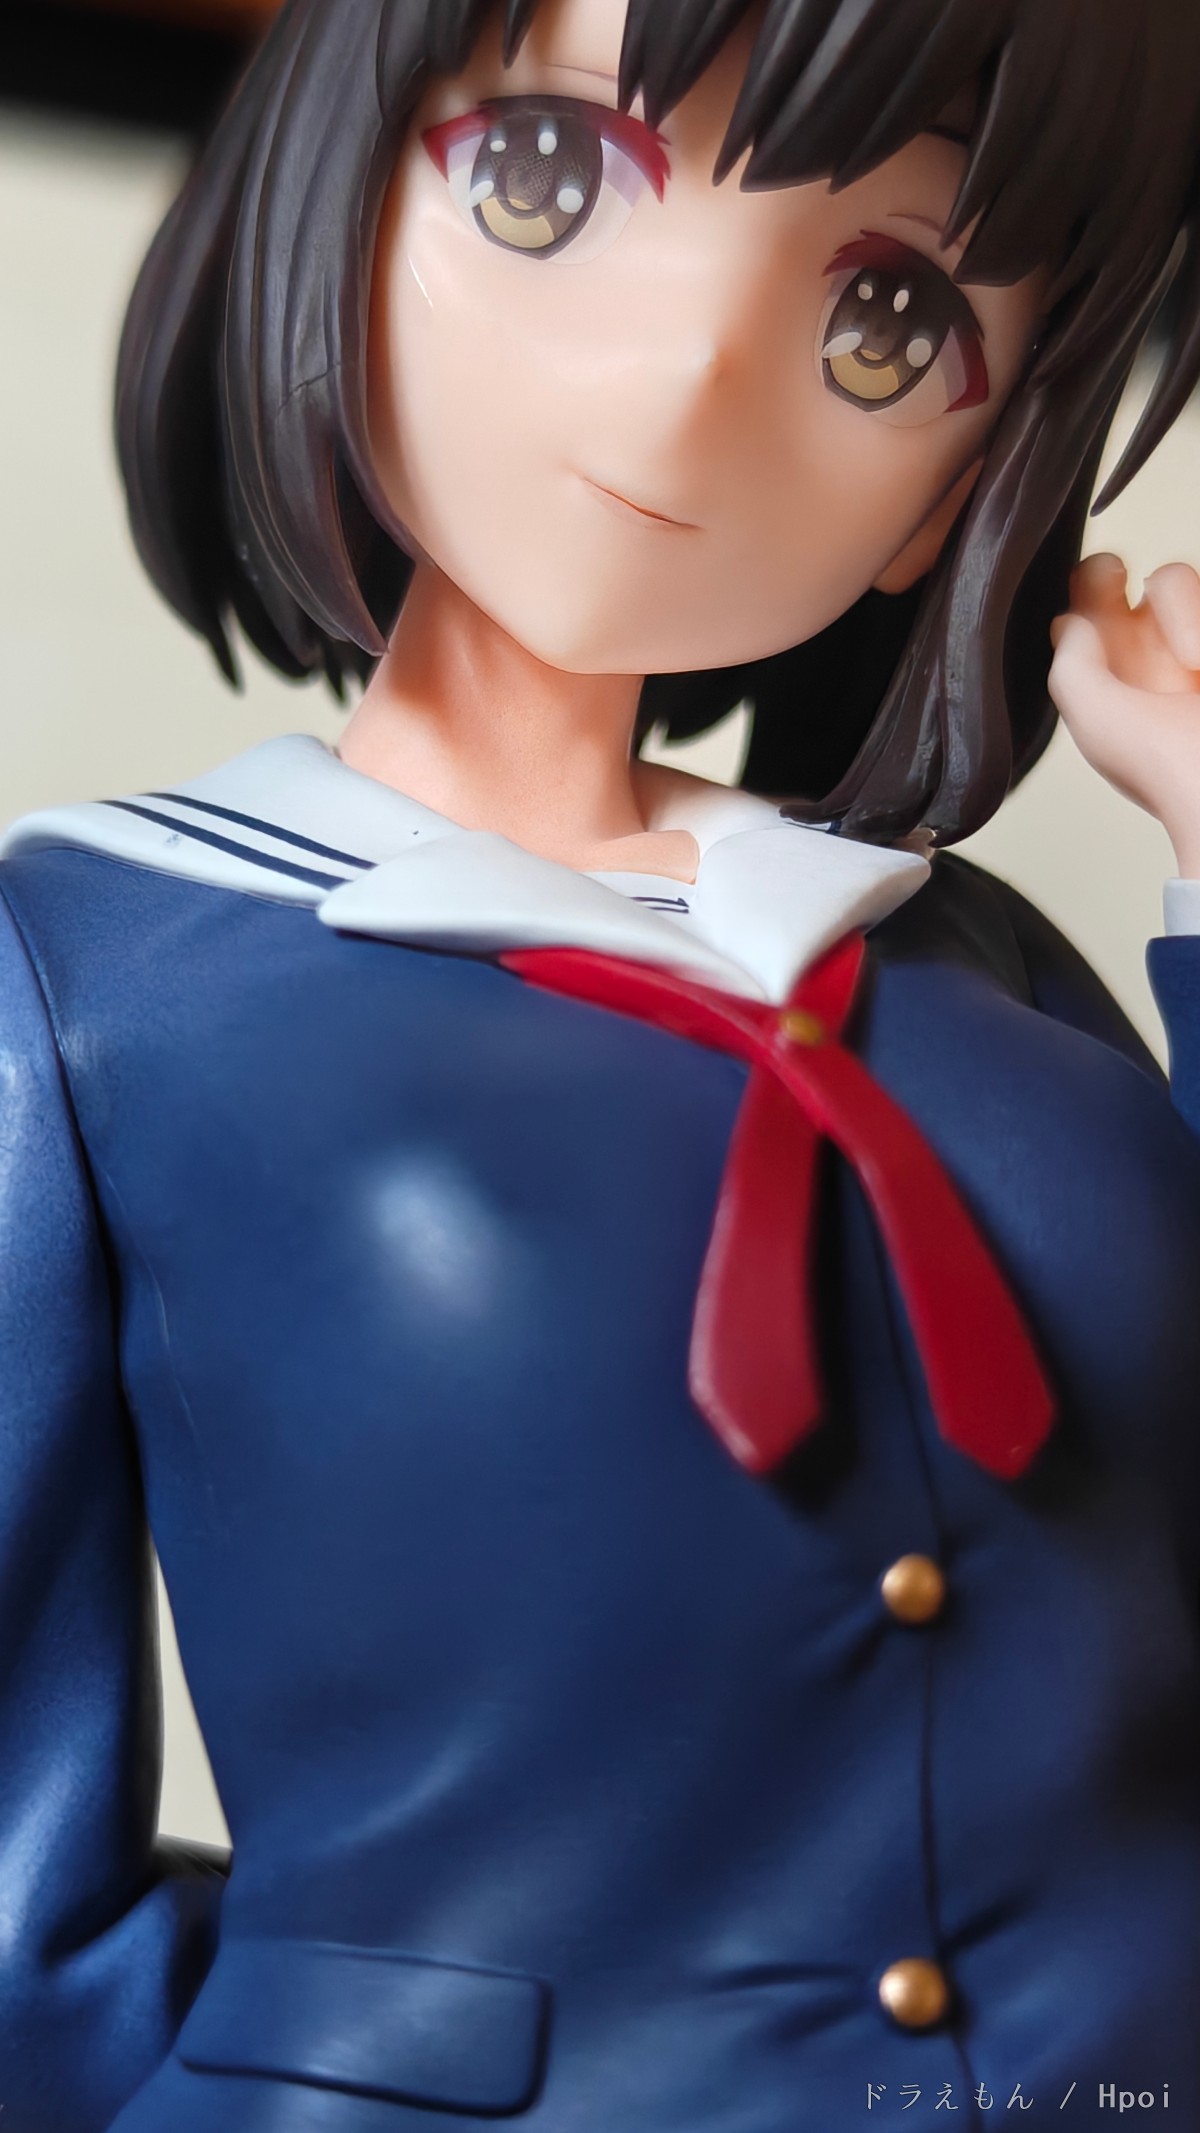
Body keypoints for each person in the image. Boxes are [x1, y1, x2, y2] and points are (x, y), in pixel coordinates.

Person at [3, 0, 1200, 2126]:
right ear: (329, 196)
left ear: (959, 486)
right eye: (545, 178)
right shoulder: (88, 970)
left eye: (888, 318)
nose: (692, 376)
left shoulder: (980, 964)